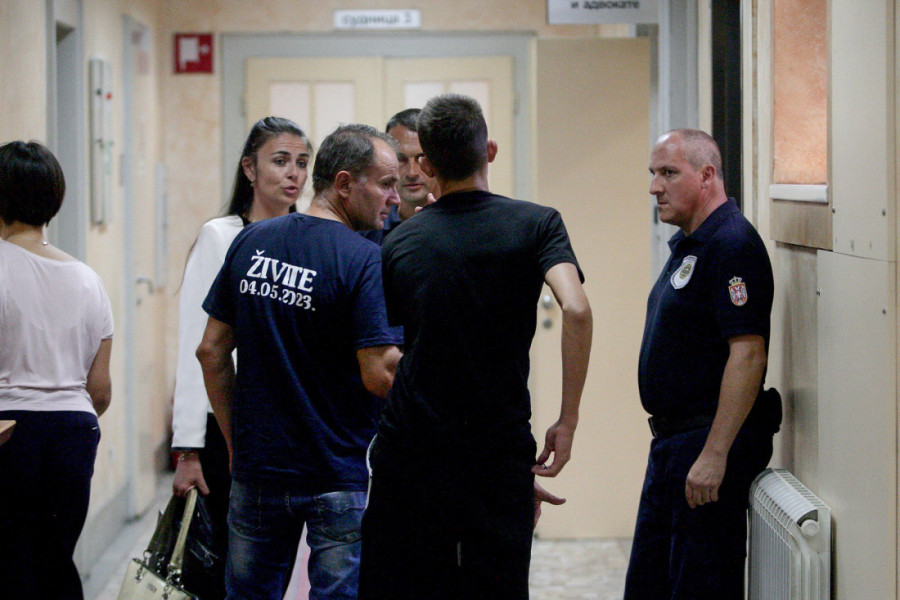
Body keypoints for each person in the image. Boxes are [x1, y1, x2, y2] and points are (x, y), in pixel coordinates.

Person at [358, 94, 593, 600]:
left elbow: (393, 347)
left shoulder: (400, 242)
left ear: (426, 165)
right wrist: (567, 419)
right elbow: (575, 309)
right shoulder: (538, 224)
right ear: (489, 150)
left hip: (414, 452)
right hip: (497, 449)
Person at [196, 123, 403, 600]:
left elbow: (211, 351)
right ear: (345, 183)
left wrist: (234, 442)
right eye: (386, 184)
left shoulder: (251, 241)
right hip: (338, 473)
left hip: (257, 468)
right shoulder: (365, 259)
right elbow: (380, 375)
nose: (394, 198)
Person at [623, 129, 778, 599]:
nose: (655, 186)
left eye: (668, 173)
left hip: (705, 445)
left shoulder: (732, 244)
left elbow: (748, 353)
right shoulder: (693, 243)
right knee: (651, 586)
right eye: (653, 173)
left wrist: (714, 454)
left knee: (699, 588)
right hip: (674, 446)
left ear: (707, 175)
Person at [170, 116, 312, 598]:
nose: (293, 173)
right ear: (250, 169)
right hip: (226, 422)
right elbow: (198, 345)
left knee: (280, 567)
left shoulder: (309, 237)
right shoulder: (220, 236)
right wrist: (188, 449)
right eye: (280, 161)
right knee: (229, 567)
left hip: (291, 426)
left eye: (302, 163)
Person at [0, 140, 114, 599]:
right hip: (74, 432)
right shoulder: (89, 280)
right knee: (55, 564)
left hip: (9, 433)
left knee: (11, 570)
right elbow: (100, 390)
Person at [362, 108, 439, 244]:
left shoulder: (464, 223)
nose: (412, 173)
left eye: (422, 157)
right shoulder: (367, 229)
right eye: (400, 159)